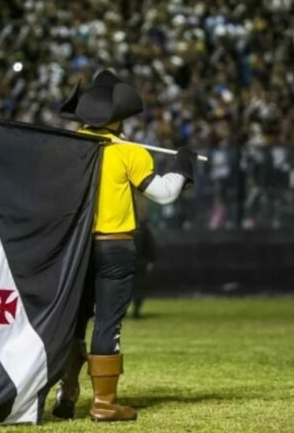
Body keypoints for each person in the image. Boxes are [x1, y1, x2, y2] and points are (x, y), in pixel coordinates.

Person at [52, 70, 195, 422]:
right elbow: (164, 193)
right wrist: (183, 164)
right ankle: (103, 404)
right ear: (117, 117)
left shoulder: (66, 150)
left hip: (74, 249)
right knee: (107, 324)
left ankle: (67, 392)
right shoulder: (129, 152)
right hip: (114, 248)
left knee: (74, 323)